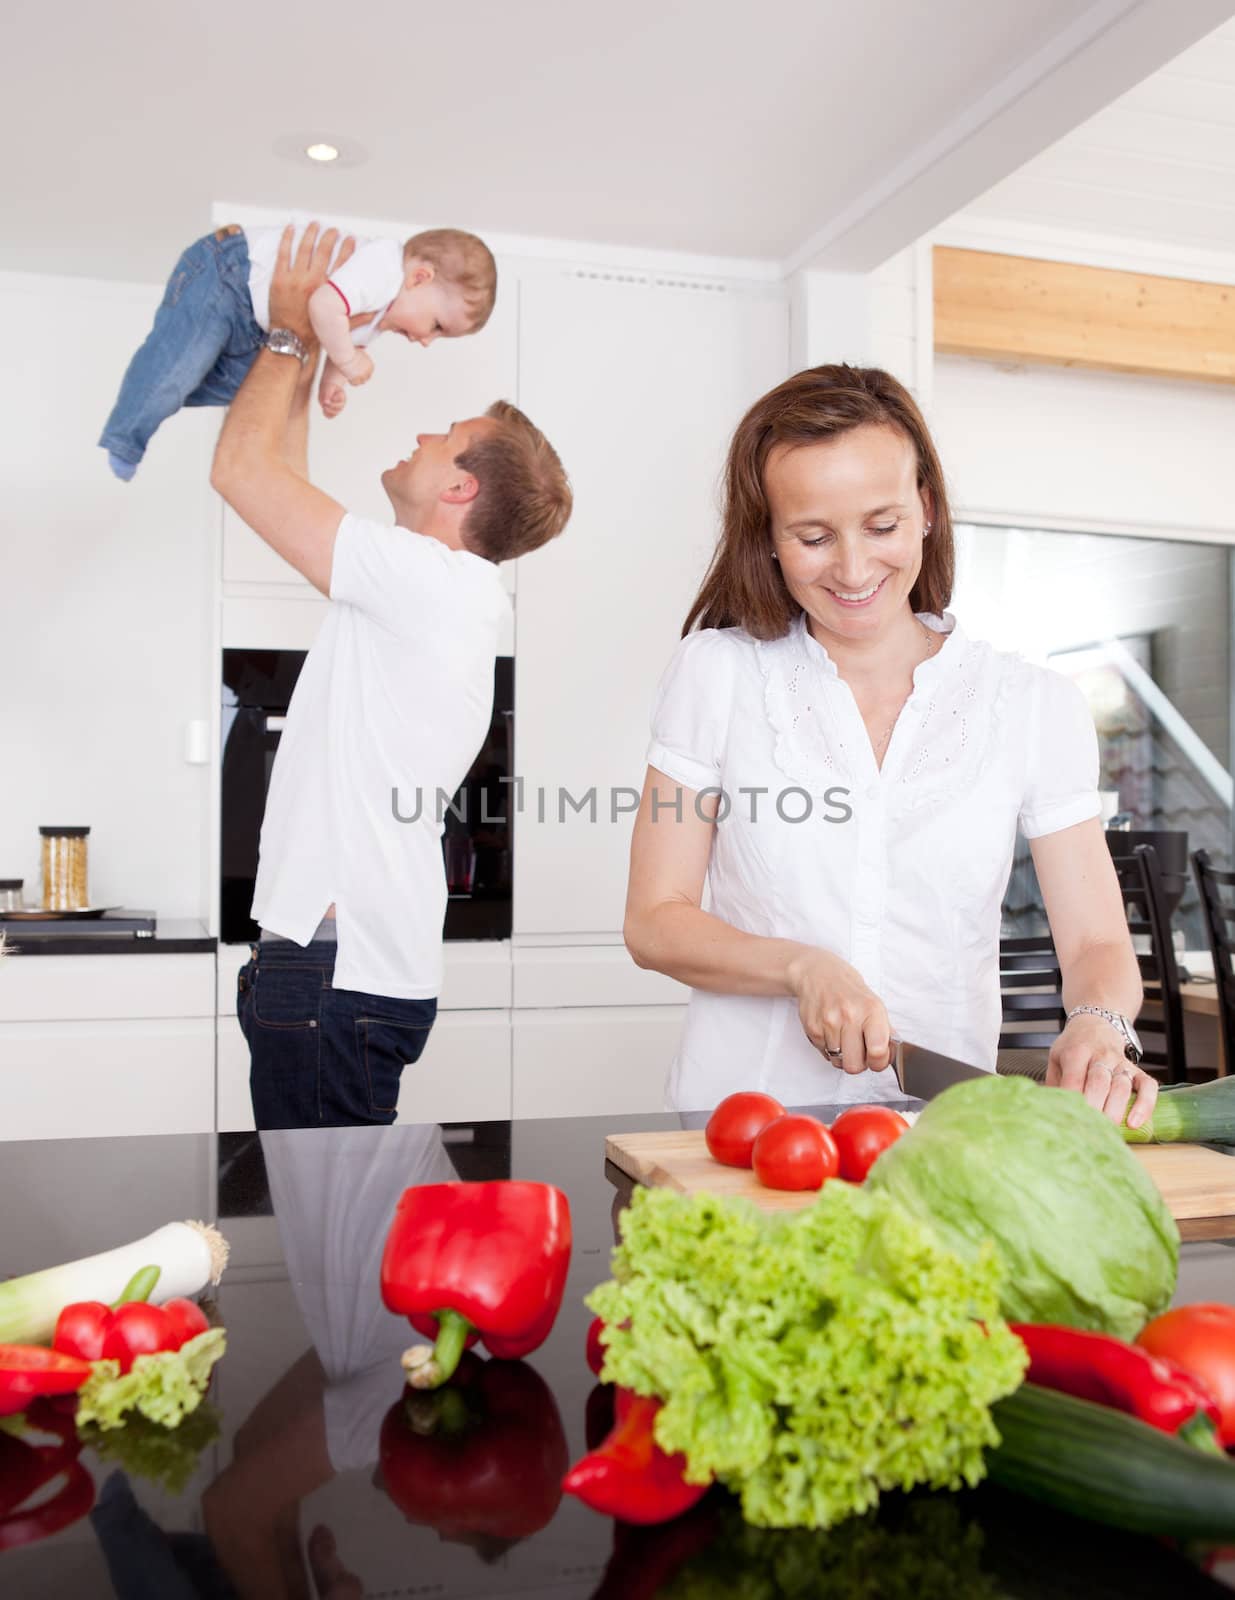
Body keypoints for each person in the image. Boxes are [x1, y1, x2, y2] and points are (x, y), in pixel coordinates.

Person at [623, 363, 1157, 1129]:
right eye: (812, 536)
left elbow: (1097, 939)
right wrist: (800, 966)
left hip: (936, 1133)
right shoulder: (717, 674)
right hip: (746, 1126)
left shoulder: (1032, 705)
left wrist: (1098, 1025)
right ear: (768, 538)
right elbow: (654, 918)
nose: (851, 568)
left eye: (881, 525)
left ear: (926, 509)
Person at [214, 223, 571, 1129]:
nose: (420, 434)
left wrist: (296, 329)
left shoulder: (431, 584)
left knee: (335, 1251)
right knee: (338, 1241)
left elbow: (241, 468)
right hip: (342, 967)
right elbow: (277, 471)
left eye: (443, 437)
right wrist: (305, 346)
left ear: (460, 492)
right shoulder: (429, 590)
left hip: (336, 972)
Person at [100, 219, 496, 478]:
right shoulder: (384, 268)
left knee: (241, 389)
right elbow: (325, 307)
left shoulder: (383, 312)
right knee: (176, 370)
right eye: (437, 326)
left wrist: (332, 384)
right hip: (229, 272)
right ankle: (125, 437)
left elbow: (344, 334)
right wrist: (345, 359)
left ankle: (152, 386)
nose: (427, 340)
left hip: (256, 317)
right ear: (419, 277)